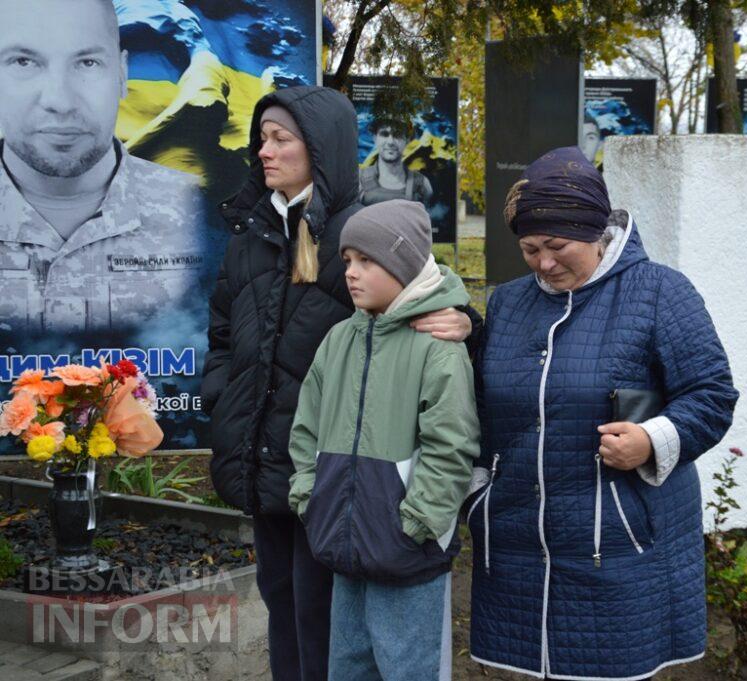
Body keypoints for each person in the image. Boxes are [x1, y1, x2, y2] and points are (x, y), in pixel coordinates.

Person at [201, 87, 476, 681]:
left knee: (326, 622)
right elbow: (222, 332)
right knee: (281, 602)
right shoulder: (250, 230)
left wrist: (468, 321)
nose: (263, 151)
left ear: (319, 149)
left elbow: (425, 294)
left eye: (280, 139)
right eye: (262, 138)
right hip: (264, 457)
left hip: (340, 471)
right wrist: (223, 398)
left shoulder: (362, 231)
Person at [467, 146, 739, 680]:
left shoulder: (659, 291)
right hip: (515, 543)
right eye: (529, 249)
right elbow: (483, 406)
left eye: (557, 246)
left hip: (617, 544)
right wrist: (479, 495)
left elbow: (712, 394)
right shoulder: (508, 303)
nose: (544, 263)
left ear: (596, 232)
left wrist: (652, 439)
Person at [289, 199, 479, 681]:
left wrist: (418, 523)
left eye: (367, 261)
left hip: (408, 550)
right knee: (348, 667)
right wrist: (311, 497)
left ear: (404, 264)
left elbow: (451, 447)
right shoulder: (338, 340)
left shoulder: (438, 349)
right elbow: (306, 427)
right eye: (348, 260)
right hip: (343, 539)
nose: (351, 272)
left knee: (408, 669)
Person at [0, 0, 204, 334]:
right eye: (24, 62)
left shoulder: (205, 216)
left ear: (122, 75)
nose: (60, 102)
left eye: (87, 63)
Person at [358, 118, 433, 207]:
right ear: (375, 138)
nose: (390, 142)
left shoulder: (422, 185)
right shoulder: (358, 180)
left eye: (398, 135)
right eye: (384, 134)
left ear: (408, 140)